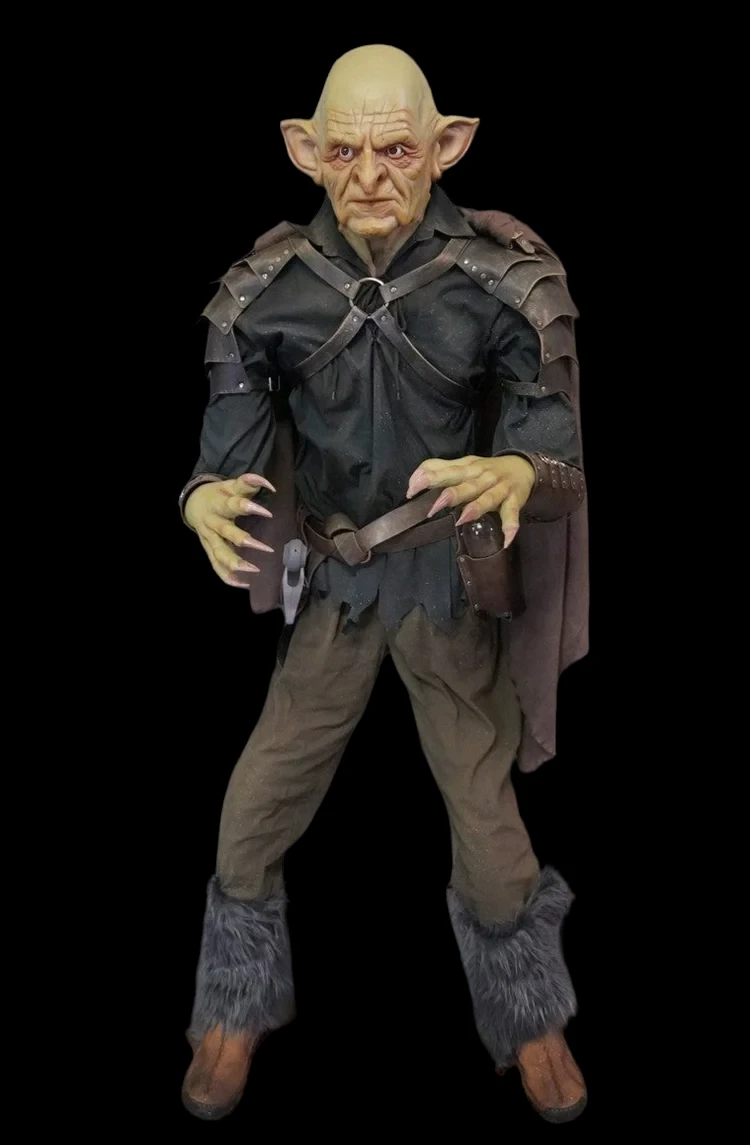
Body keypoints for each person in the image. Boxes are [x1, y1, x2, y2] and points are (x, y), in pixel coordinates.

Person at [178, 43, 589, 1123]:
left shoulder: (501, 282)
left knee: (486, 817)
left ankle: (529, 1012)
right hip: (338, 585)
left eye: (397, 151)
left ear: (446, 148)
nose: (369, 176)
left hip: (448, 583)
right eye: (346, 152)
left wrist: (519, 470)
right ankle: (234, 996)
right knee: (257, 798)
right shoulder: (263, 292)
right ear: (304, 152)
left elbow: (554, 452)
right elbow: (227, 447)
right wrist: (200, 497)